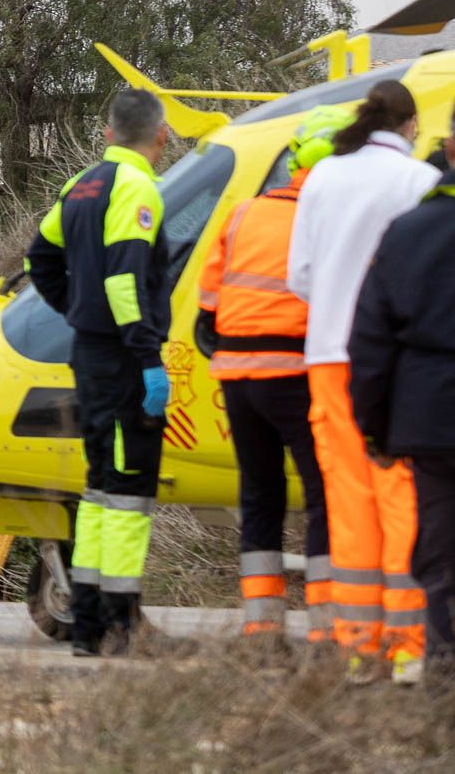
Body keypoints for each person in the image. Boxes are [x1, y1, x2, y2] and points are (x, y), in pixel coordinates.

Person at [288, 79, 439, 684]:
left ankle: (357, 645)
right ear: (411, 125)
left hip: (329, 357)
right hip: (396, 363)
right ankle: (408, 646)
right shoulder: (418, 182)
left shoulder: (323, 176)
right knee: (402, 495)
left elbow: (300, 276)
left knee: (347, 499)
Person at [25, 89, 178, 658]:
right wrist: (146, 357)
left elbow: (38, 259)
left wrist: (77, 311)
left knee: (97, 489)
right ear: (161, 135)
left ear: (109, 133)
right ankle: (121, 623)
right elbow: (124, 280)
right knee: (129, 493)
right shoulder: (137, 187)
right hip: (122, 361)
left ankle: (89, 624)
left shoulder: (80, 185)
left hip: (90, 355)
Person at [195, 105, 352, 646]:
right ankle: (327, 627)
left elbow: (208, 306)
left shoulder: (245, 213)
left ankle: (262, 627)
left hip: (238, 377)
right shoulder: (334, 219)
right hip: (297, 373)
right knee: (324, 494)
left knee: (260, 495)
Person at [349, 116, 455, 689]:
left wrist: (374, 427)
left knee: (440, 545)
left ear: (450, 149)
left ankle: (442, 671)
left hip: (432, 417)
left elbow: (371, 341)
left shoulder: (409, 232)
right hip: (430, 413)